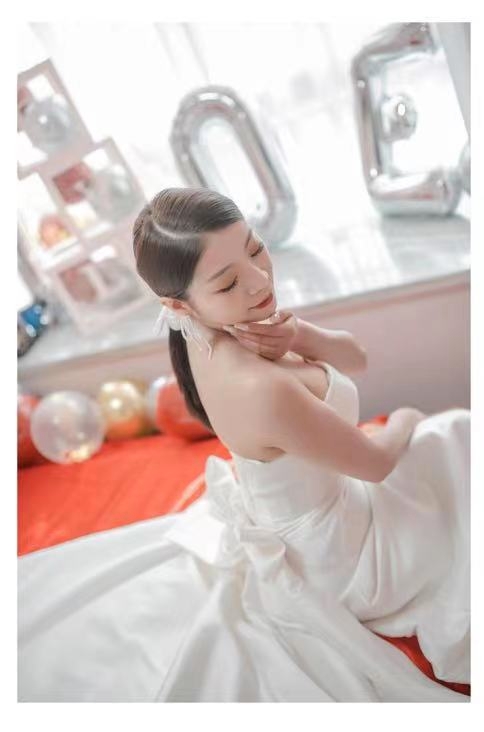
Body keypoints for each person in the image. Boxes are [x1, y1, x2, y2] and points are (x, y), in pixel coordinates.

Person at [18, 187, 470, 702]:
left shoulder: (220, 323)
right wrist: (408, 417)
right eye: (229, 281)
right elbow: (377, 464)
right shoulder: (259, 386)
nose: (259, 281)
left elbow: (356, 358)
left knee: (451, 442)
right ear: (177, 304)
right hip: (342, 555)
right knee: (450, 436)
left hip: (312, 512)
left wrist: (299, 335)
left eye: (255, 249)